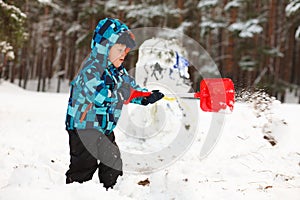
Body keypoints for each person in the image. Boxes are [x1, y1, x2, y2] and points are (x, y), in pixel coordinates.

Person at [65, 18, 164, 190]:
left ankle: (111, 190)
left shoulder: (118, 72)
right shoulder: (90, 69)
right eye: (119, 49)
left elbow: (131, 89)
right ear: (104, 47)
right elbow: (99, 94)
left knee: (113, 162)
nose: (123, 54)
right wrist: (122, 93)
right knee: (84, 164)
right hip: (83, 127)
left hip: (104, 127)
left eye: (125, 50)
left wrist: (146, 96)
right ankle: (75, 191)